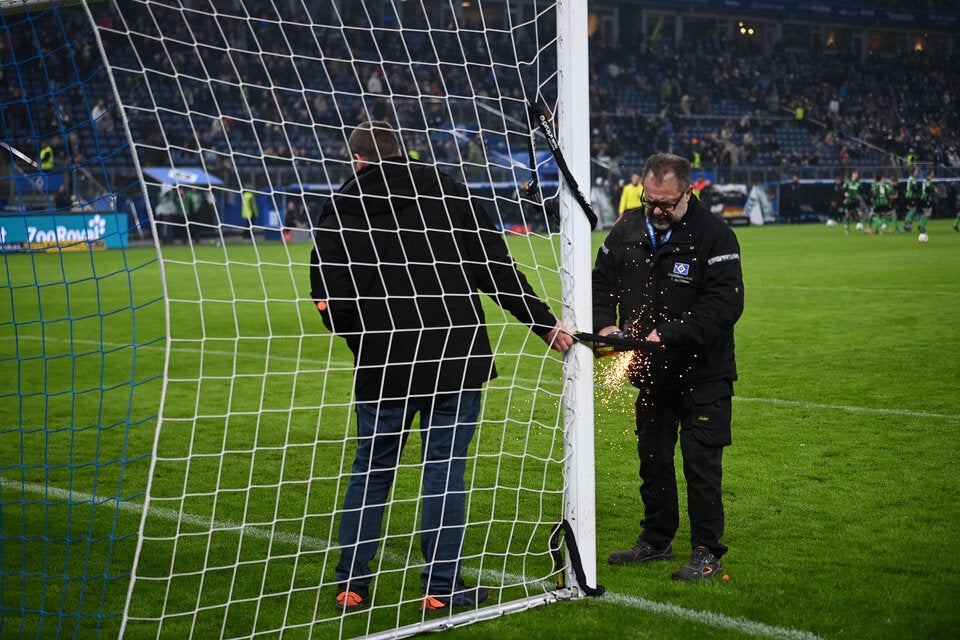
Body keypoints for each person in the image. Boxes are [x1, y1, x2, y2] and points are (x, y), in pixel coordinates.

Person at [309, 121, 573, 613]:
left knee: (372, 470)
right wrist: (543, 324)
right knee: (445, 471)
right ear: (403, 152)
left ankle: (352, 584)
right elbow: (496, 270)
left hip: (383, 363)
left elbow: (328, 294)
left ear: (358, 160)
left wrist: (362, 340)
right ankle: (440, 588)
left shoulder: (341, 206)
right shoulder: (451, 192)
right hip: (455, 357)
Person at [592, 153, 744, 581]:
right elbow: (600, 281)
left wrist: (670, 333)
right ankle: (656, 539)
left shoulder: (715, 235)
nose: (657, 210)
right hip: (651, 374)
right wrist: (605, 324)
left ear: (688, 193)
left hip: (704, 373)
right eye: (650, 201)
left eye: (666, 203)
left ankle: (706, 551)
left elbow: (725, 304)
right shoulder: (627, 227)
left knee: (701, 465)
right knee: (653, 459)